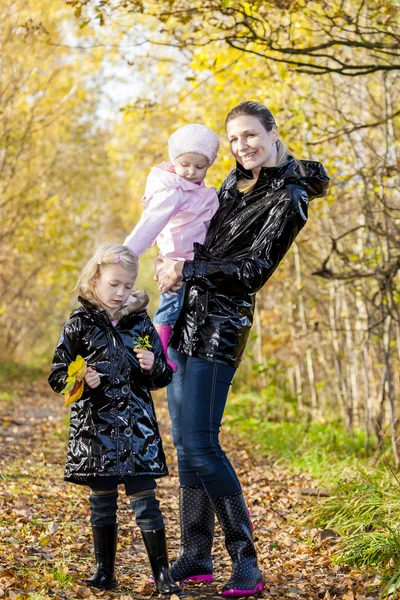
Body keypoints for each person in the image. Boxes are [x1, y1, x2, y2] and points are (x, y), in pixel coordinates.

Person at [153, 101, 330, 597]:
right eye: (233, 139)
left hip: (220, 326)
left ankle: (245, 561)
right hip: (183, 316)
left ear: (273, 133)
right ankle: (195, 554)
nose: (241, 146)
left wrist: (187, 270)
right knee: (186, 445)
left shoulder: (290, 196)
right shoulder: (232, 182)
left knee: (204, 444)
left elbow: (253, 271)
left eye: (250, 135)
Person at [48, 243, 182, 597]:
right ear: (95, 279)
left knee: (146, 501)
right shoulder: (78, 325)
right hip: (96, 433)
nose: (120, 292)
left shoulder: (140, 323)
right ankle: (104, 570)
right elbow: (57, 373)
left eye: (127, 286)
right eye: (113, 284)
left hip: (137, 430)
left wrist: (154, 367)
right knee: (102, 500)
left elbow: (163, 374)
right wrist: (78, 379)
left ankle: (163, 573)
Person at [123, 123, 220, 372]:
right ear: (173, 160)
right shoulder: (173, 191)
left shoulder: (198, 190)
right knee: (170, 307)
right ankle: (159, 354)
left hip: (193, 261)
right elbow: (150, 224)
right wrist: (126, 253)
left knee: (180, 311)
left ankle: (164, 351)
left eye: (200, 167)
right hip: (176, 260)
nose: (191, 171)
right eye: (185, 164)